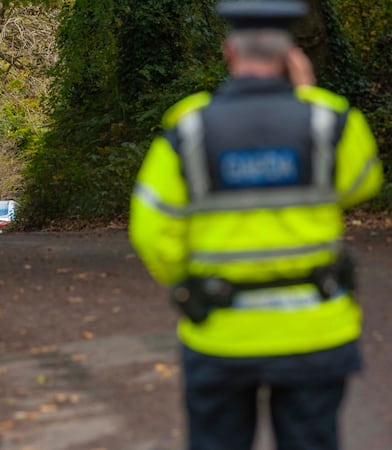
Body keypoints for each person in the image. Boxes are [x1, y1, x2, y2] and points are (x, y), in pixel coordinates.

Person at [128, 1, 383, 449]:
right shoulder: (328, 121)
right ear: (290, 54)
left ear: (229, 51)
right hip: (316, 332)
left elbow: (151, 228)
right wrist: (306, 96)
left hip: (222, 333)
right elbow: (363, 183)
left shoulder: (189, 128)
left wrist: (190, 284)